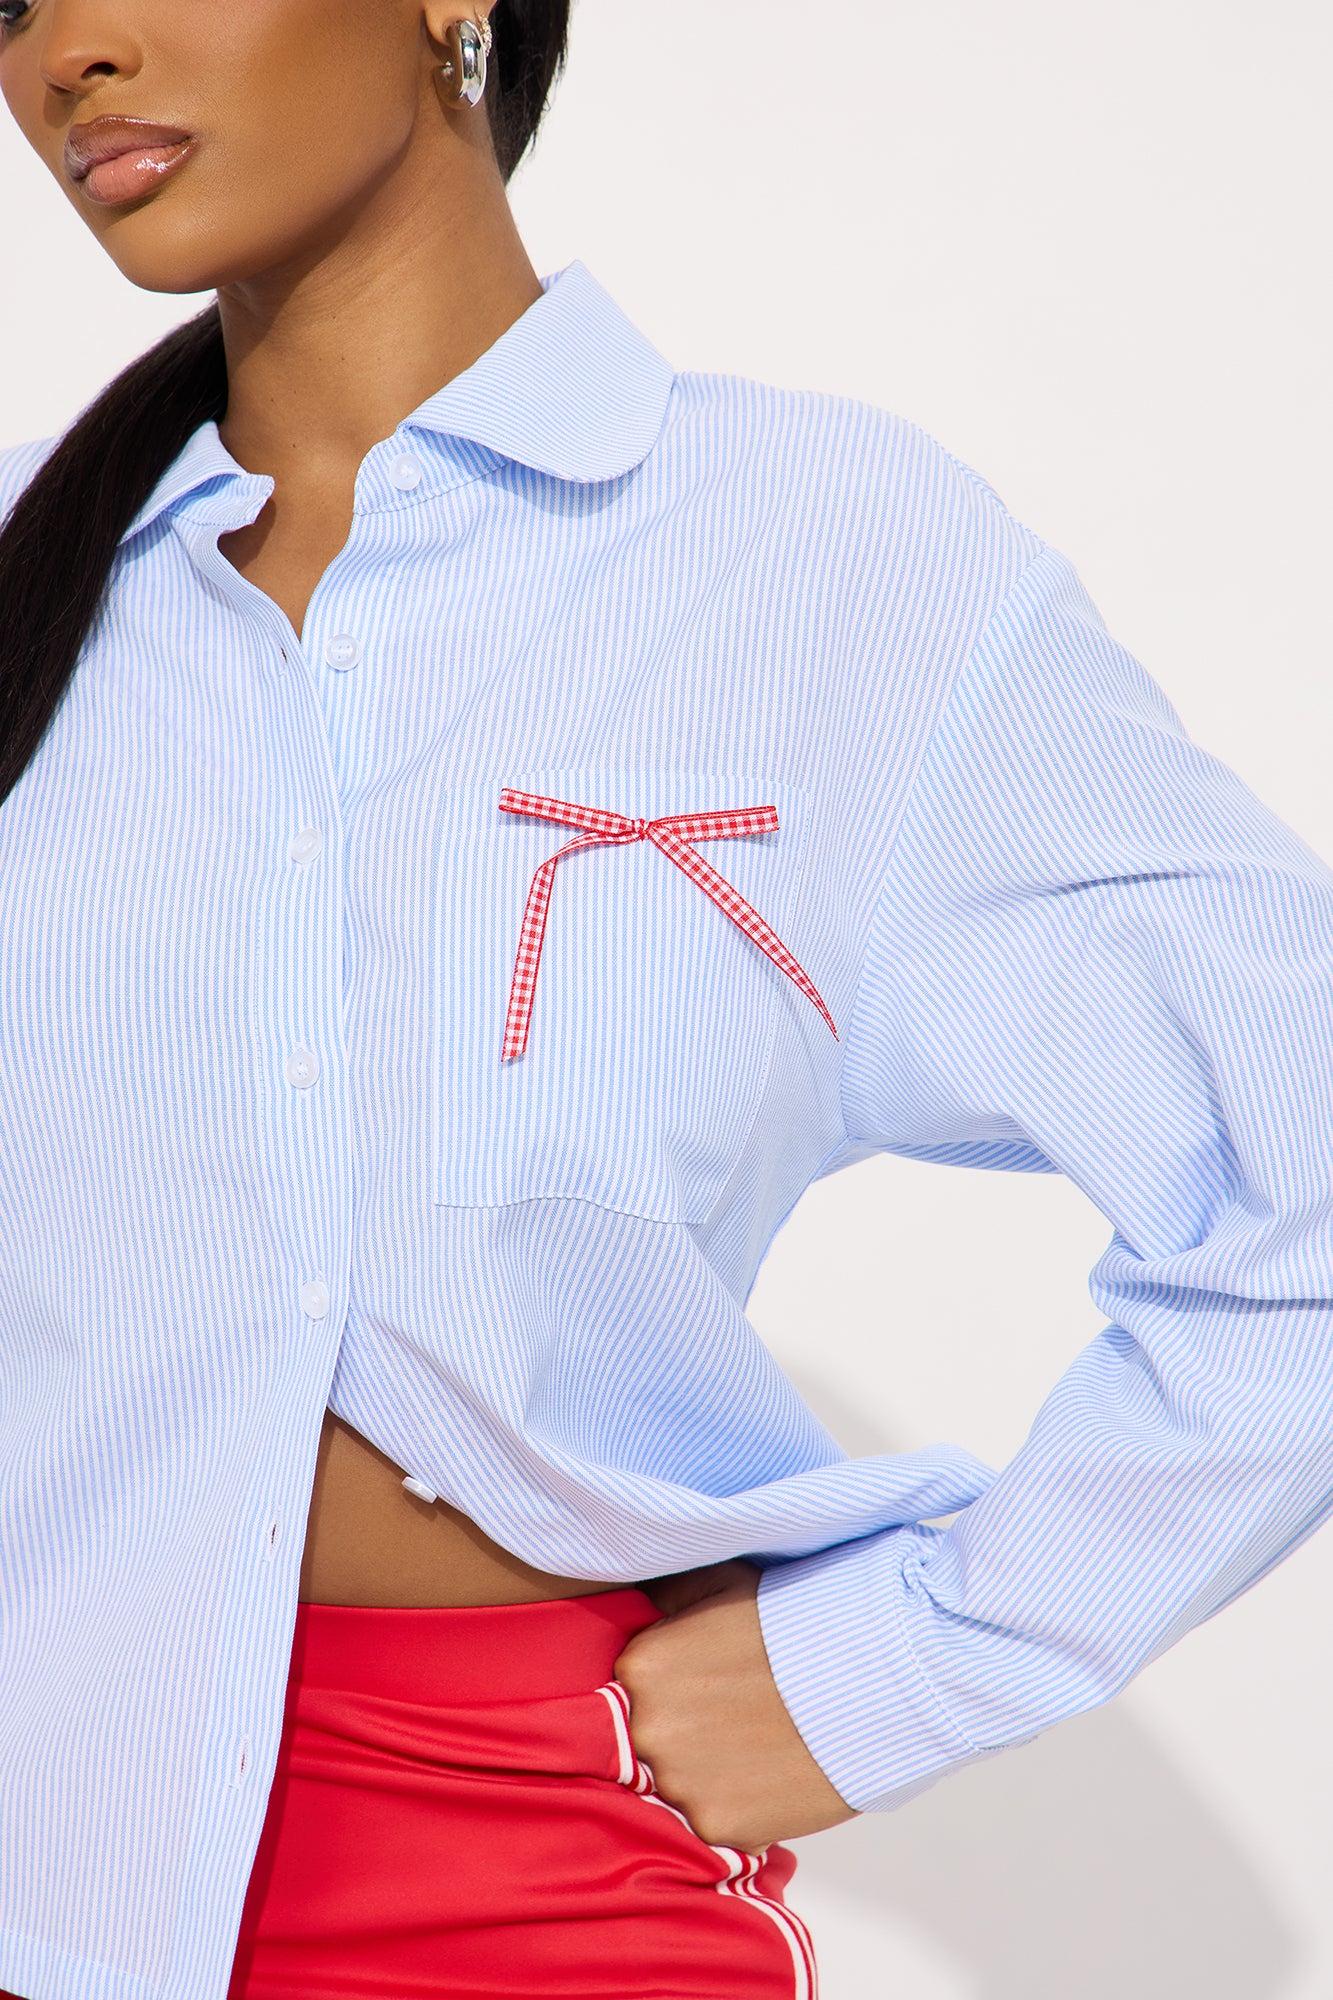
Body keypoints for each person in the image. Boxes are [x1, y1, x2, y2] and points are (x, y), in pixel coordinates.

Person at [2, 3, 1331, 1997]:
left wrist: (905, 1669)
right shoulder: (33, 576)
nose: (68, 53)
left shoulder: (810, 557)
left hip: (534, 1866)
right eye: (15, 2)